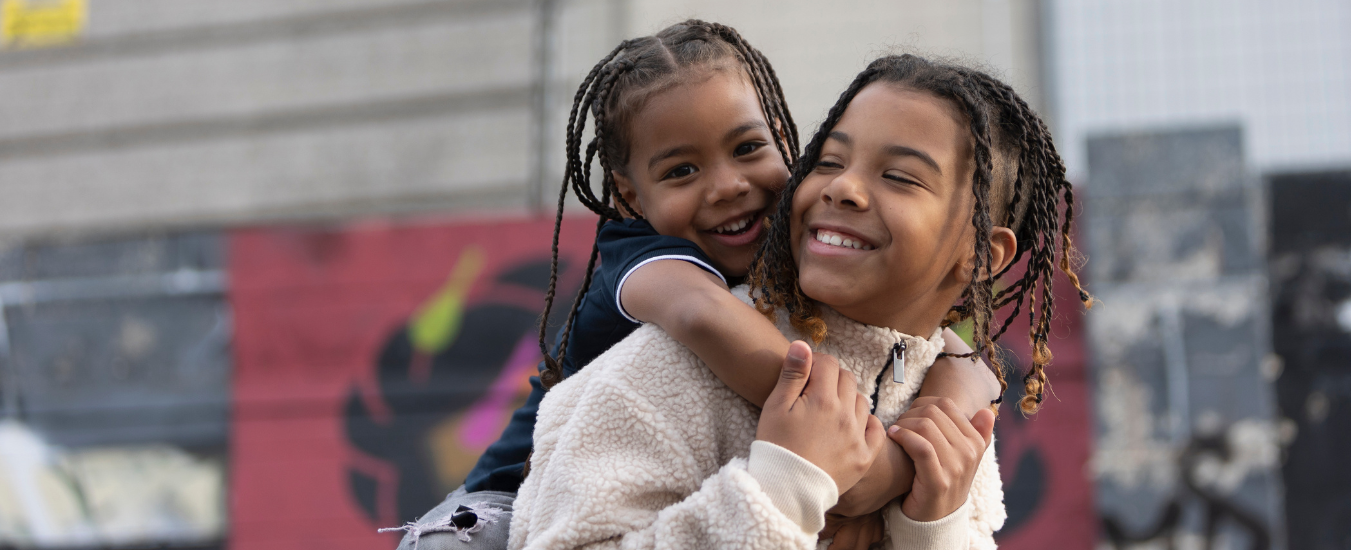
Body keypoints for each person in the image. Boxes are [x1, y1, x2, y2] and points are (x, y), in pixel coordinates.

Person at [393, 23, 1001, 550]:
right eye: (682, 170)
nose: (728, 185)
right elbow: (709, 321)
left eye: (748, 148)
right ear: (632, 197)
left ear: (787, 143)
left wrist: (943, 406)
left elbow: (960, 359)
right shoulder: (646, 258)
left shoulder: (802, 246)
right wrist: (867, 467)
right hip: (498, 508)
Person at [509, 53, 1091, 549]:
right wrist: (783, 487)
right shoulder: (661, 371)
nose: (841, 186)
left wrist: (930, 526)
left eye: (900, 176)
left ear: (979, 255)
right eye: (830, 161)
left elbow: (971, 365)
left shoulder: (944, 421)